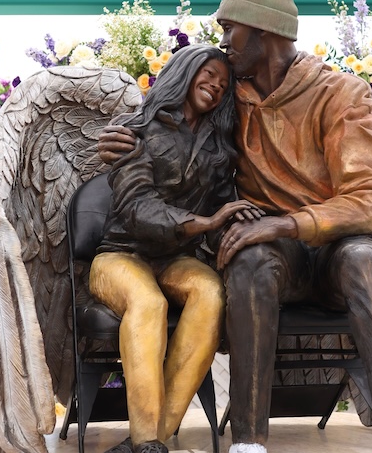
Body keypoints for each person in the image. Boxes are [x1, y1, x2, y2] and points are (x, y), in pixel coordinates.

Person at [98, 0, 372, 453]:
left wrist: (287, 221)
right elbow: (171, 120)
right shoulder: (231, 101)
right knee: (249, 259)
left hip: (336, 251)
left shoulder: (341, 95)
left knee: (365, 258)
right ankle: (248, 443)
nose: (223, 41)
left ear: (263, 31)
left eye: (230, 29)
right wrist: (127, 135)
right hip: (274, 256)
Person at [91, 44, 262, 453]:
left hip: (174, 258)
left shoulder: (219, 150)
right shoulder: (135, 129)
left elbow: (223, 207)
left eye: (223, 85)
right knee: (148, 302)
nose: (216, 86)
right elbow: (136, 208)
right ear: (185, 71)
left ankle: (151, 442)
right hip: (119, 253)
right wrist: (203, 224)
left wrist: (238, 232)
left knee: (211, 292)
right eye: (209, 75)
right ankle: (149, 440)